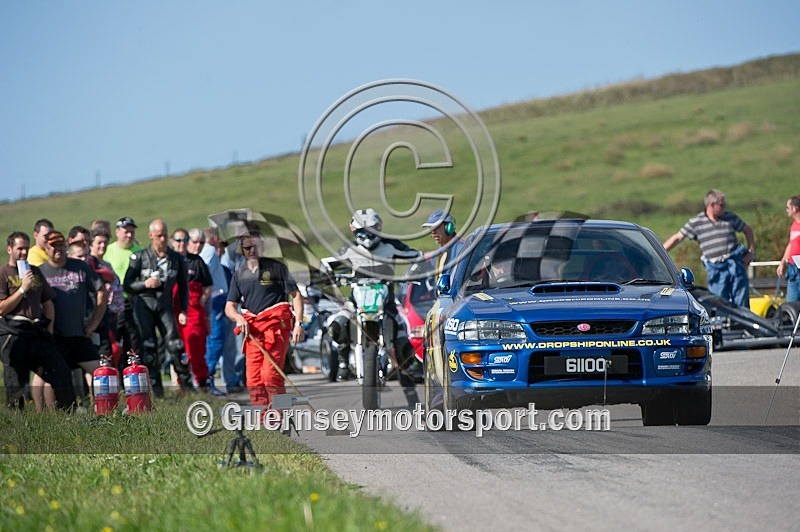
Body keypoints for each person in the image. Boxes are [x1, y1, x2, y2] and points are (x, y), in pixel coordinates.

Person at [326, 208, 421, 381]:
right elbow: (328, 263)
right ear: (354, 231)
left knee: (402, 332)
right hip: (355, 301)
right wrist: (328, 277)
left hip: (386, 302)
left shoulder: (391, 245)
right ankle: (343, 363)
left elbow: (416, 256)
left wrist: (416, 272)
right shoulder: (350, 249)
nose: (367, 235)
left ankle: (407, 367)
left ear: (378, 228)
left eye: (370, 230)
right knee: (335, 326)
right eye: (362, 231)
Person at [225, 233, 304, 409]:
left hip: (275, 328)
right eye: (247, 248)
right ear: (241, 250)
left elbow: (296, 296)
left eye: (255, 246)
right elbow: (229, 307)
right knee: (253, 379)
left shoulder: (277, 268)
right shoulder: (239, 274)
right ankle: (262, 421)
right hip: (253, 332)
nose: (252, 251)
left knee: (270, 375)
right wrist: (238, 317)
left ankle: (279, 415)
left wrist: (299, 323)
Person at [0, 231, 77, 411]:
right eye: (19, 249)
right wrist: (22, 289)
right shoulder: (3, 273)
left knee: (61, 372)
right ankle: (17, 424)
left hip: (36, 330)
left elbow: (48, 302)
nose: (24, 253)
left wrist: (49, 329)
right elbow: (2, 308)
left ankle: (69, 415)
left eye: (26, 248)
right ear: (9, 249)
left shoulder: (34, 271)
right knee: (15, 382)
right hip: (13, 332)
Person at [124, 219, 193, 396]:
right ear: (151, 236)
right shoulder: (139, 257)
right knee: (149, 346)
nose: (162, 239)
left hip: (164, 305)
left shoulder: (177, 259)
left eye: (165, 235)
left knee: (175, 344)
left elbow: (184, 287)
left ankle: (186, 385)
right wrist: (144, 284)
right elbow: (127, 285)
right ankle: (156, 390)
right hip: (144, 304)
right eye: (159, 236)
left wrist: (183, 310)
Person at [38, 230, 107, 405]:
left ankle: (103, 410)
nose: (58, 249)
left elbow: (101, 291)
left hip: (79, 334)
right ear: (46, 248)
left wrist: (93, 323)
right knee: (50, 377)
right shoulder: (41, 272)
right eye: (53, 246)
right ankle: (49, 417)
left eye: (61, 245)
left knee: (100, 372)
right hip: (55, 337)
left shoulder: (80, 267)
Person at [663, 189, 755, 308]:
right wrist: (659, 252)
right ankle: (723, 326)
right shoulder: (697, 222)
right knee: (719, 302)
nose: (725, 207)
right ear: (712, 205)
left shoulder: (730, 217)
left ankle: (743, 325)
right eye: (722, 205)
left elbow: (748, 230)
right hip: (716, 269)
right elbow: (678, 237)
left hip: (735, 264)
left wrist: (751, 252)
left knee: (741, 300)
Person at [171, 227, 215, 393]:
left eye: (185, 240)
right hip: (174, 310)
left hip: (194, 311)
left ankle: (203, 383)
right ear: (172, 242)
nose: (182, 244)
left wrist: (202, 301)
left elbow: (208, 285)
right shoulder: (169, 260)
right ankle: (183, 385)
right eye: (178, 240)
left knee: (195, 349)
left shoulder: (196, 261)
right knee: (178, 349)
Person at [200, 226, 238, 394]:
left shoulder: (212, 253)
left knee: (219, 342)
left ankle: (214, 379)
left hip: (219, 300)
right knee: (215, 342)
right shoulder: (209, 251)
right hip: (216, 300)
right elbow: (204, 272)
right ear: (214, 238)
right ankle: (207, 379)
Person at [104, 216, 143, 367]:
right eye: (126, 232)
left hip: (135, 300)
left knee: (133, 340)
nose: (129, 235)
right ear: (117, 232)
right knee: (114, 341)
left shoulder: (140, 251)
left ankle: (132, 373)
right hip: (115, 303)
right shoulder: (109, 251)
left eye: (132, 232)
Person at [421, 209, 463, 280]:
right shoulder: (438, 252)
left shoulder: (462, 248)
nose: (433, 232)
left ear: (448, 227)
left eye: (436, 227)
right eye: (430, 228)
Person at [777, 195, 800, 302]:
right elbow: (791, 245)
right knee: (791, 302)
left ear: (795, 209)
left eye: (788, 207)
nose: (786, 210)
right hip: (792, 267)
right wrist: (782, 262)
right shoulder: (794, 225)